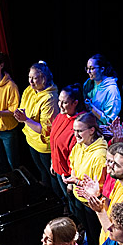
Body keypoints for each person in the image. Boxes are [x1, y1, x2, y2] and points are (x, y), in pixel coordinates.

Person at [62, 112, 109, 245]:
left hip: (91, 204)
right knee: (87, 230)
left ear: (92, 130)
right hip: (79, 197)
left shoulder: (100, 155)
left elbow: (98, 187)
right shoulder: (79, 145)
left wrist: (75, 181)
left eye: (80, 131)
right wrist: (72, 182)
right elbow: (73, 163)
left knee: (95, 233)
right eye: (74, 130)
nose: (76, 134)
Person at [14, 60, 59, 187]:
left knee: (51, 176)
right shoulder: (30, 90)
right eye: (29, 77)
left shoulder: (50, 98)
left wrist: (25, 120)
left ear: (44, 79)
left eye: (34, 78)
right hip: (31, 140)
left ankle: (57, 200)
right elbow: (23, 110)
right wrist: (20, 116)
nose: (31, 81)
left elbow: (44, 129)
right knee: (42, 172)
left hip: (44, 146)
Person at [49, 83, 84, 211]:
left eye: (64, 102)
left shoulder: (79, 125)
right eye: (59, 101)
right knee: (69, 202)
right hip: (60, 170)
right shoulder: (60, 116)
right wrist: (54, 161)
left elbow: (75, 157)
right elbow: (54, 141)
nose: (59, 105)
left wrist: (71, 183)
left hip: (69, 176)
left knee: (75, 205)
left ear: (75, 103)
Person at [82, 53, 122, 127]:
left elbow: (110, 121)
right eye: (87, 68)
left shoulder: (111, 90)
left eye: (91, 68)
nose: (88, 72)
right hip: (88, 127)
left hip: (103, 132)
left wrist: (92, 108)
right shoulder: (89, 83)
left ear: (102, 69)